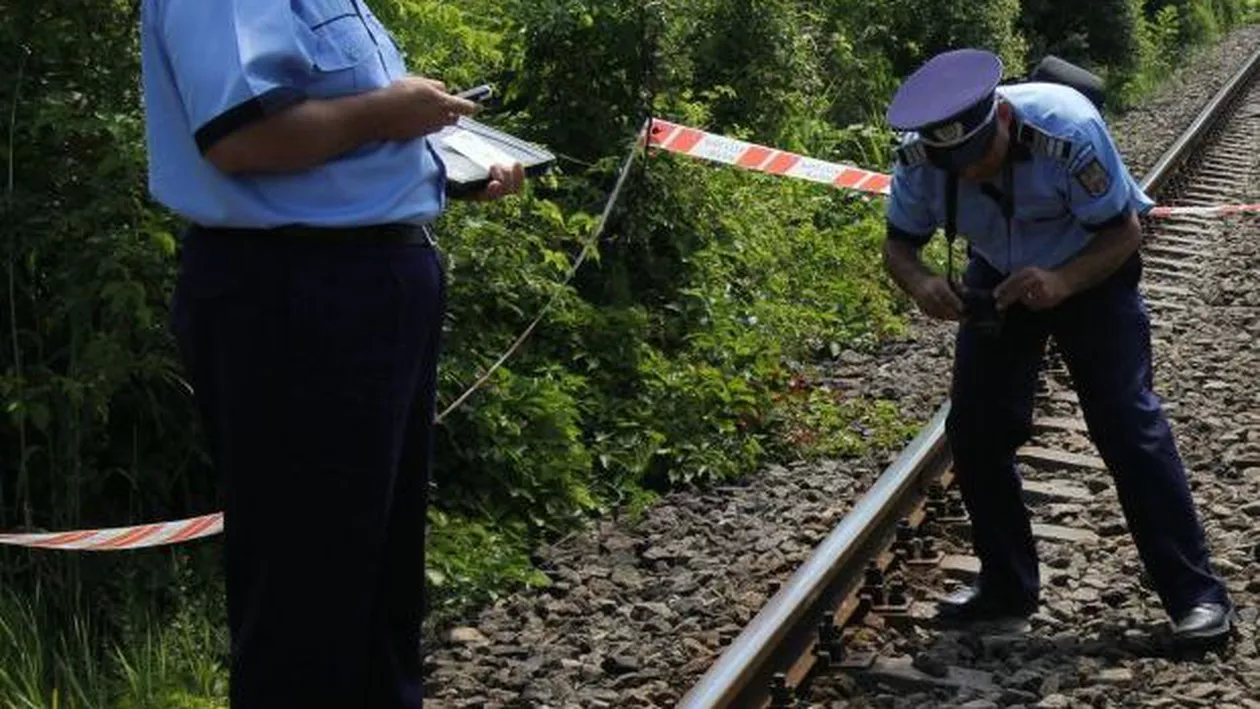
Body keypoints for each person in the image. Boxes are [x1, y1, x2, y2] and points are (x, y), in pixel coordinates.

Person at [139, 1, 525, 706]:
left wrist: (441, 169)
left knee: (376, 586)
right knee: (309, 595)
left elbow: (333, 146)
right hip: (298, 296)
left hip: (358, 286)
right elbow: (241, 138)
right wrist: (389, 112)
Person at [881, 48, 1232, 641]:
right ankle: (1006, 588)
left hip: (1089, 266)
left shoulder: (1067, 130)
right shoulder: (923, 160)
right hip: (998, 273)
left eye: (978, 159)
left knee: (1127, 422)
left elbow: (1124, 232)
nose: (971, 174)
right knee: (975, 429)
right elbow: (898, 246)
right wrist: (921, 284)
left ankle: (1196, 596)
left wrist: (1063, 281)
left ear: (1004, 122)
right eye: (956, 166)